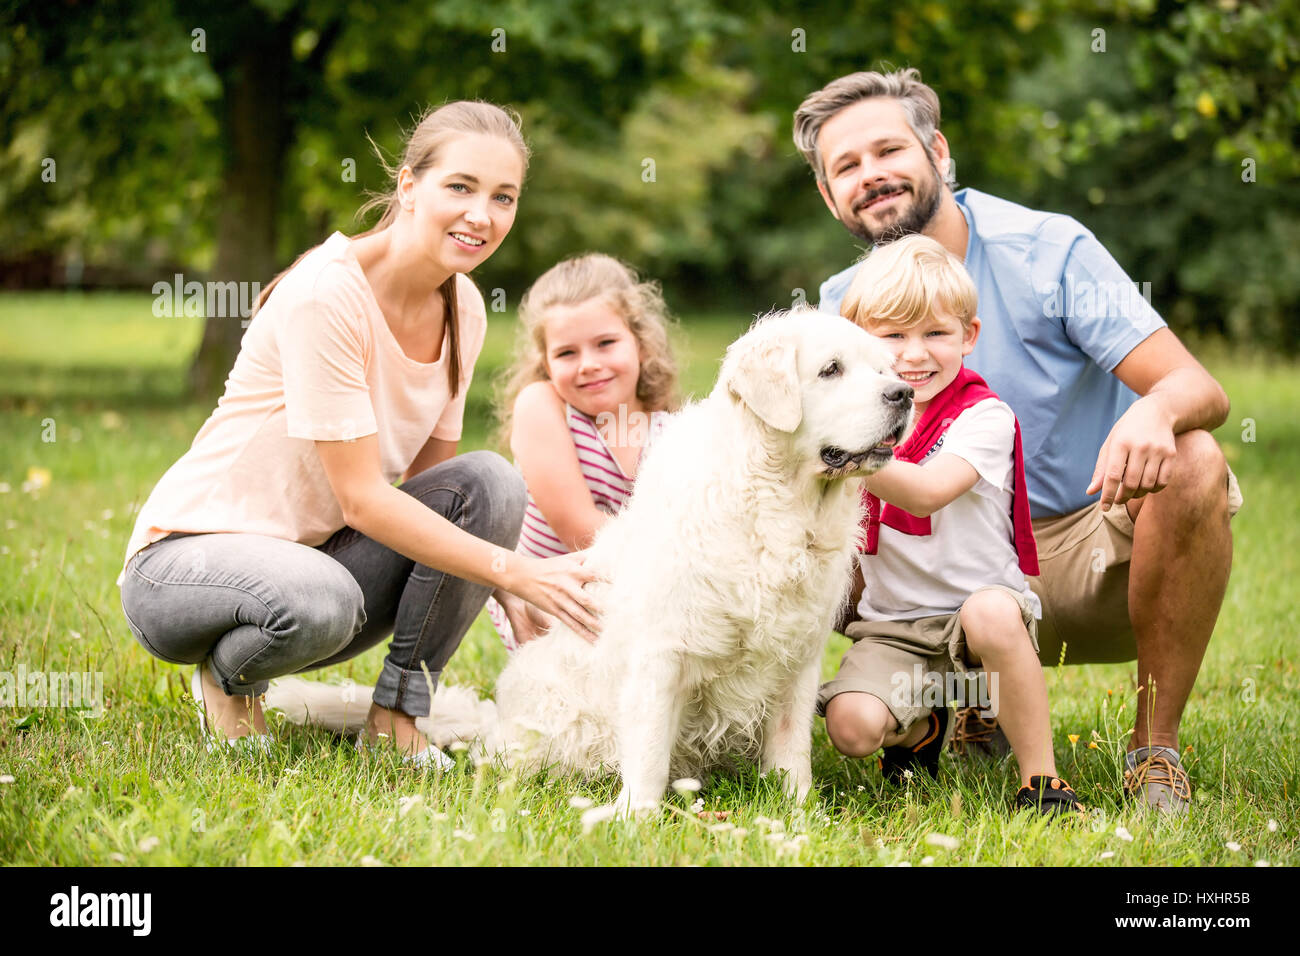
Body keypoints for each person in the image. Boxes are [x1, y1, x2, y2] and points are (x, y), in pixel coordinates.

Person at [794, 68, 1241, 813]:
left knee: (1194, 459)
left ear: (937, 150)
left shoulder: (1049, 250)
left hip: (1071, 556)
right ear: (828, 194)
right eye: (846, 167)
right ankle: (938, 707)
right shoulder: (843, 301)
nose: (871, 176)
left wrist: (1154, 411)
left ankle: (1153, 750)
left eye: (887, 151)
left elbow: (1202, 390)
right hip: (922, 575)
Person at [118, 101, 601, 766]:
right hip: (185, 569)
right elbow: (364, 501)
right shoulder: (327, 295)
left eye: (504, 197)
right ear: (409, 186)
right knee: (322, 599)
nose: (482, 216)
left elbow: (438, 497)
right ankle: (228, 678)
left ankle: (397, 717)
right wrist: (518, 572)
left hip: (318, 568)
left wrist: (494, 580)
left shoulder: (462, 308)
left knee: (491, 481)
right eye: (459, 187)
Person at [820, 235, 1082, 814]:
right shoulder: (846, 420)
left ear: (969, 335)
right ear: (860, 339)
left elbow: (926, 494)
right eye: (893, 336)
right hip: (897, 624)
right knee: (851, 728)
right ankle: (923, 727)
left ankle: (1041, 781)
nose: (914, 354)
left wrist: (843, 456)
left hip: (982, 622)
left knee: (988, 612)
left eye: (935, 333)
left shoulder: (983, 415)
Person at [487, 253, 680, 649]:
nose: (589, 365)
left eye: (606, 343)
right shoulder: (542, 406)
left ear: (641, 345)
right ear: (545, 362)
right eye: (566, 353)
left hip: (639, 592)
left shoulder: (671, 432)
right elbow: (579, 530)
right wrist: (678, 559)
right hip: (553, 602)